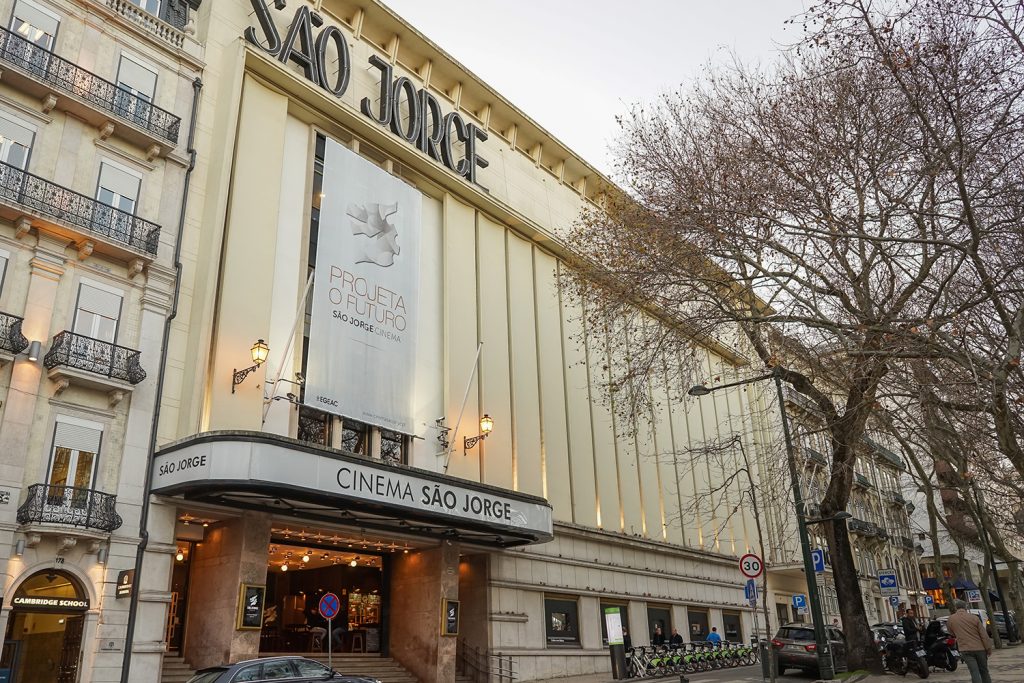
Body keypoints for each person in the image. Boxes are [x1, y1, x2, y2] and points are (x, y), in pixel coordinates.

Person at [948, 599, 993, 683]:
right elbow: (984, 635)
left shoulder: (951, 619)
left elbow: (951, 632)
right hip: (980, 648)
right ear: (966, 607)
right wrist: (988, 648)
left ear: (956, 608)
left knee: (974, 672)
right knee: (984, 671)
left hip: (965, 649)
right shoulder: (974, 618)